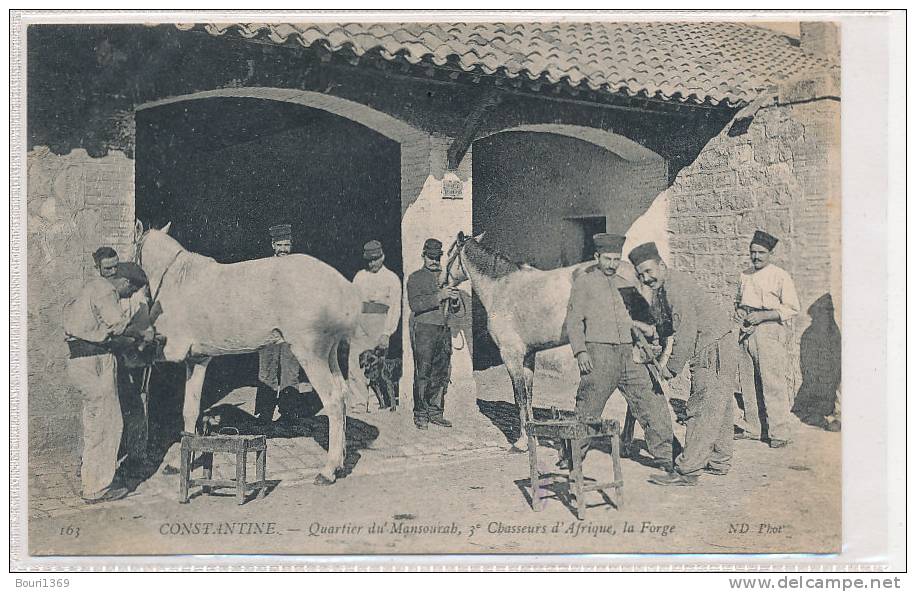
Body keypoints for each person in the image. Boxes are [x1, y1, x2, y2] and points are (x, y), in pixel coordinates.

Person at [628, 242, 738, 486]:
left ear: (662, 265)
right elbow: (668, 326)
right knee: (718, 406)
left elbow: (685, 332)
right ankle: (719, 460)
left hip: (713, 347)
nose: (646, 278)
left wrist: (670, 369)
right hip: (719, 343)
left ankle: (687, 471)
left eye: (649, 271)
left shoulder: (674, 288)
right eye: (641, 275)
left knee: (702, 406)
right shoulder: (665, 288)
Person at [564, 233, 674, 470]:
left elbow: (643, 317)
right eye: (607, 259)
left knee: (652, 402)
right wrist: (580, 352)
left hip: (630, 354)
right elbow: (573, 321)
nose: (612, 264)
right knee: (588, 409)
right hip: (599, 354)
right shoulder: (584, 283)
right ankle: (573, 460)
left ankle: (666, 457)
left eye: (616, 259)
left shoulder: (625, 282)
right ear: (597, 257)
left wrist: (651, 335)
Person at [63, 247, 149, 503]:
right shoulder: (106, 290)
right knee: (108, 424)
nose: (128, 295)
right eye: (130, 290)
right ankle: (97, 489)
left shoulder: (87, 288)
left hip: (78, 361)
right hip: (96, 362)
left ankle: (89, 480)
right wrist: (143, 334)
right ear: (124, 282)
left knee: (94, 423)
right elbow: (117, 325)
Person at [734, 230, 801, 448]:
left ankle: (779, 432)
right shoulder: (744, 274)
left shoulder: (780, 275)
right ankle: (754, 428)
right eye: (753, 252)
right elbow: (738, 302)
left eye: (761, 253)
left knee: (772, 382)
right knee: (748, 381)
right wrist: (740, 313)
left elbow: (791, 308)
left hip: (769, 329)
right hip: (747, 330)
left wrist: (763, 315)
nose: (756, 257)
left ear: (770, 253)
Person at [255, 224, 304, 425]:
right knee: (267, 368)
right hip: (269, 325)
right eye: (280, 245)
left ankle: (289, 411)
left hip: (291, 326)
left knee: (291, 369)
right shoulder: (264, 267)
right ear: (273, 245)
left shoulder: (298, 267)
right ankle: (264, 413)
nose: (284, 249)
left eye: (287, 244)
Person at [406, 238, 457, 430]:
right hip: (424, 330)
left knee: (441, 373)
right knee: (423, 373)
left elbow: (453, 308)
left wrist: (454, 299)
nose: (433, 261)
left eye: (437, 258)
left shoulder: (446, 276)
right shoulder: (415, 277)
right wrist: (440, 296)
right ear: (423, 255)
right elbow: (415, 304)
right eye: (430, 257)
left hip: (443, 329)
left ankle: (436, 412)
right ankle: (420, 414)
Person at [350, 239, 402, 409]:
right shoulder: (360, 277)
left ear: (383, 257)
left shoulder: (391, 279)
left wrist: (387, 333)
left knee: (375, 367)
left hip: (379, 325)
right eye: (369, 260)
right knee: (356, 364)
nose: (372, 263)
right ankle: (359, 401)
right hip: (360, 324)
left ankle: (374, 402)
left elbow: (395, 308)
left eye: (376, 259)